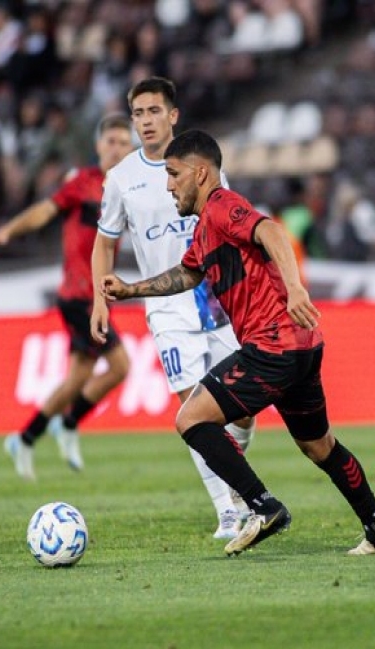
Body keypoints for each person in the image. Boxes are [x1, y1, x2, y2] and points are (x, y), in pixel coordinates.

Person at [97, 129, 375, 556]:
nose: (168, 185)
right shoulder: (205, 227)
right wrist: (131, 290)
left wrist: (296, 288)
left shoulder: (224, 206)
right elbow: (187, 275)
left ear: (200, 173)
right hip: (301, 346)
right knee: (319, 446)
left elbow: (272, 232)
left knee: (191, 420)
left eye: (173, 174)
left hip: (272, 344)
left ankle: (263, 506)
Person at [90, 77, 256, 540]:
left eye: (153, 112)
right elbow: (104, 245)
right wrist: (99, 300)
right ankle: (228, 510)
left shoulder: (202, 165)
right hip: (166, 306)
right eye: (138, 113)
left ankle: (239, 491)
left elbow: (232, 221)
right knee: (193, 409)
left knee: (242, 410)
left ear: (173, 115)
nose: (145, 121)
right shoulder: (121, 179)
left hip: (218, 297)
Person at [0, 113, 134, 479]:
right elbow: (44, 212)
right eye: (110, 141)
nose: (116, 148)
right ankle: (67, 425)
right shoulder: (83, 183)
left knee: (78, 378)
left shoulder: (130, 188)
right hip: (79, 295)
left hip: (97, 296)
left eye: (123, 143)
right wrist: (7, 232)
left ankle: (26, 437)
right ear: (98, 146)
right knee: (120, 366)